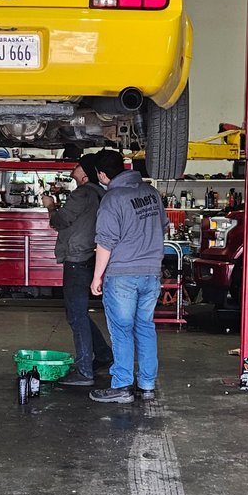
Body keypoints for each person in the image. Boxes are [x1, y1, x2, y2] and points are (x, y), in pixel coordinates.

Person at [90, 152, 165, 403]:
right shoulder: (151, 193)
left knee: (121, 331)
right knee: (144, 327)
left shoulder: (113, 198)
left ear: (102, 174)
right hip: (151, 274)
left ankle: (122, 386)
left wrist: (96, 277)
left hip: (122, 276)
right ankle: (146, 385)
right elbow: (163, 226)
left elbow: (105, 243)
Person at [43, 149, 113, 388]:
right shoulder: (99, 193)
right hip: (90, 258)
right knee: (79, 313)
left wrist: (51, 206)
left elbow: (59, 221)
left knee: (76, 315)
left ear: (85, 173)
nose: (74, 168)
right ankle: (103, 355)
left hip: (76, 259)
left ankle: (84, 371)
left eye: (78, 165)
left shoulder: (81, 194)